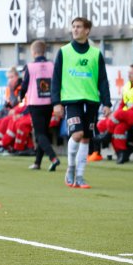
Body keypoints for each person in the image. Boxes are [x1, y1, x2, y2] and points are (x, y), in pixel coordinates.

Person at [51, 17, 111, 189]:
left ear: (87, 31)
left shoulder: (95, 53)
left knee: (85, 138)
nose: (75, 29)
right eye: (74, 27)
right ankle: (70, 169)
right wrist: (56, 102)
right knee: (77, 134)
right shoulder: (64, 51)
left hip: (91, 100)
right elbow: (56, 78)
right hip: (72, 100)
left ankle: (80, 176)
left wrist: (106, 103)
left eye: (79, 27)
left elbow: (103, 80)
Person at [20, 40, 60, 171]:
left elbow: (24, 85)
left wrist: (21, 97)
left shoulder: (30, 67)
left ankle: (53, 157)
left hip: (35, 103)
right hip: (49, 103)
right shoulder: (52, 65)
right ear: (44, 52)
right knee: (43, 132)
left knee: (39, 134)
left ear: (33, 52)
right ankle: (37, 162)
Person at [95, 64, 133, 164]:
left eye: (132, 73)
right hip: (127, 116)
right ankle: (121, 152)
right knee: (102, 124)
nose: (129, 75)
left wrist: (120, 114)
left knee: (118, 115)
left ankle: (108, 136)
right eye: (129, 73)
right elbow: (122, 104)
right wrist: (116, 114)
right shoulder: (127, 86)